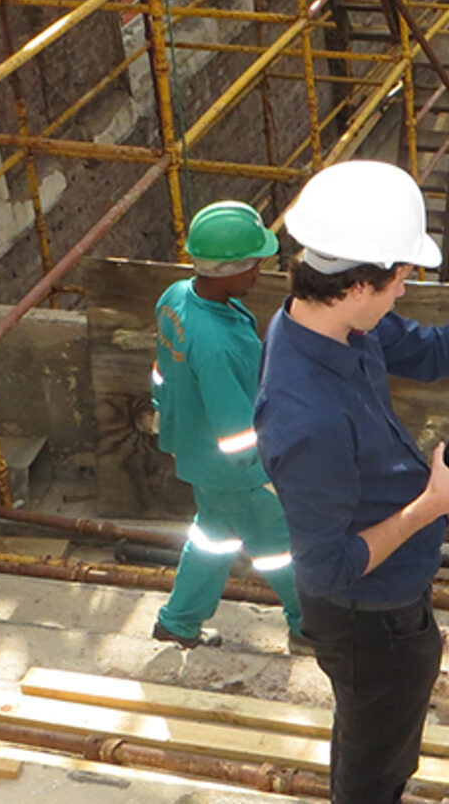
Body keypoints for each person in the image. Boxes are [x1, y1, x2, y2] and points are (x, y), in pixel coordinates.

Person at [254, 160, 449, 804]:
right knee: (374, 772)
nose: (404, 291)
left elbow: (437, 352)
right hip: (368, 622)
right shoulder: (303, 414)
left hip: (392, 607)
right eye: (399, 279)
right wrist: (433, 503)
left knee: (373, 742)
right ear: (358, 282)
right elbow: (329, 569)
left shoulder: (334, 321)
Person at [151, 201, 303, 651]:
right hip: (239, 471)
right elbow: (236, 430)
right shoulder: (215, 344)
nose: (259, 271)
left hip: (199, 456)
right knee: (284, 549)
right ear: (227, 270)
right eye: (253, 263)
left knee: (213, 538)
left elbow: (162, 372)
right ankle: (313, 626)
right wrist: (267, 475)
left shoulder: (176, 298)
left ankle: (179, 621)